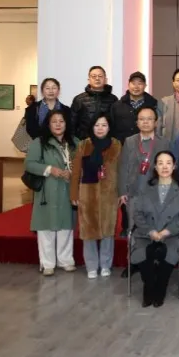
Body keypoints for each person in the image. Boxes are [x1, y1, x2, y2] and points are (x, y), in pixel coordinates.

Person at [131, 150, 179, 308]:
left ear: (174, 166)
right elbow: (137, 213)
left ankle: (160, 288)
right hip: (146, 233)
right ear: (155, 167)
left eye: (168, 163)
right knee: (143, 254)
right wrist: (150, 231)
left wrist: (166, 232)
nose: (164, 167)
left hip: (171, 235)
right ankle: (149, 287)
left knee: (167, 254)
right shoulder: (146, 188)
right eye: (160, 163)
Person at [24, 109, 77, 275]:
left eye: (61, 121)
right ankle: (47, 263)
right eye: (54, 122)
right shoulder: (39, 142)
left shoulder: (74, 142)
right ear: (48, 124)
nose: (58, 125)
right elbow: (29, 164)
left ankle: (65, 260)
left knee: (66, 226)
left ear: (66, 123)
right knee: (45, 227)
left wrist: (73, 173)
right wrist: (49, 169)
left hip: (68, 189)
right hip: (47, 190)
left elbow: (82, 163)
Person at [70, 113, 123, 278]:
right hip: (87, 193)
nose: (100, 128)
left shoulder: (116, 145)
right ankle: (91, 266)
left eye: (104, 125)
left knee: (108, 230)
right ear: (92, 127)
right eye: (97, 125)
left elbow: (121, 170)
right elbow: (76, 171)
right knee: (88, 231)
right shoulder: (84, 145)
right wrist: (74, 193)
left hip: (110, 194)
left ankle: (106, 264)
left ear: (109, 127)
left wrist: (122, 193)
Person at [117, 107, 169, 240]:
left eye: (149, 119)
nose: (145, 122)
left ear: (156, 122)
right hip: (134, 194)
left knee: (156, 232)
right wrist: (123, 191)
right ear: (137, 122)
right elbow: (123, 166)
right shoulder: (129, 141)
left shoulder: (164, 143)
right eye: (142, 119)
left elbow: (169, 169)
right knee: (134, 232)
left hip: (157, 195)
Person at [69, 66, 118, 141]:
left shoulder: (113, 99)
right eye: (94, 76)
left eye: (100, 76)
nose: (97, 78)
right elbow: (72, 124)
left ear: (105, 79)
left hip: (107, 142)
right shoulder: (79, 99)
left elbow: (116, 124)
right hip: (84, 142)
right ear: (89, 80)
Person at [110, 71, 158, 144]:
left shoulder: (153, 105)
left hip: (147, 146)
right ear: (128, 85)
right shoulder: (117, 106)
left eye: (139, 83)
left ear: (145, 85)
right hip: (122, 146)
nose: (136, 87)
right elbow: (111, 129)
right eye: (133, 83)